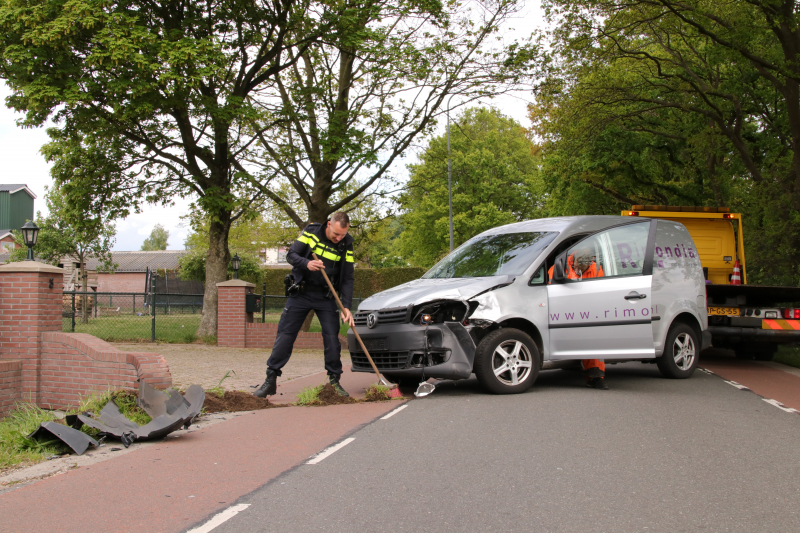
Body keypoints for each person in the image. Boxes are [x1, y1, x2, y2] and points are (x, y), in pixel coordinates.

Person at [253, 212, 356, 398]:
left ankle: (334, 382)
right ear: (328, 224)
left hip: (326, 297)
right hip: (301, 293)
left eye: (343, 234)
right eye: (336, 234)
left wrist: (346, 306)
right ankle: (270, 379)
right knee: (285, 335)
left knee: (332, 339)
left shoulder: (346, 243)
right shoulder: (311, 232)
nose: (339, 238)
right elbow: (291, 255)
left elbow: (348, 277)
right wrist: (306, 263)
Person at [548, 246, 608, 390]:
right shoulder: (559, 267)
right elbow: (550, 290)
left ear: (589, 263)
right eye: (577, 266)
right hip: (563, 310)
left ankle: (596, 376)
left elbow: (602, 291)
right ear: (574, 260)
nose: (579, 269)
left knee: (593, 337)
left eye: (583, 268)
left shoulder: (596, 269)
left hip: (587, 310)